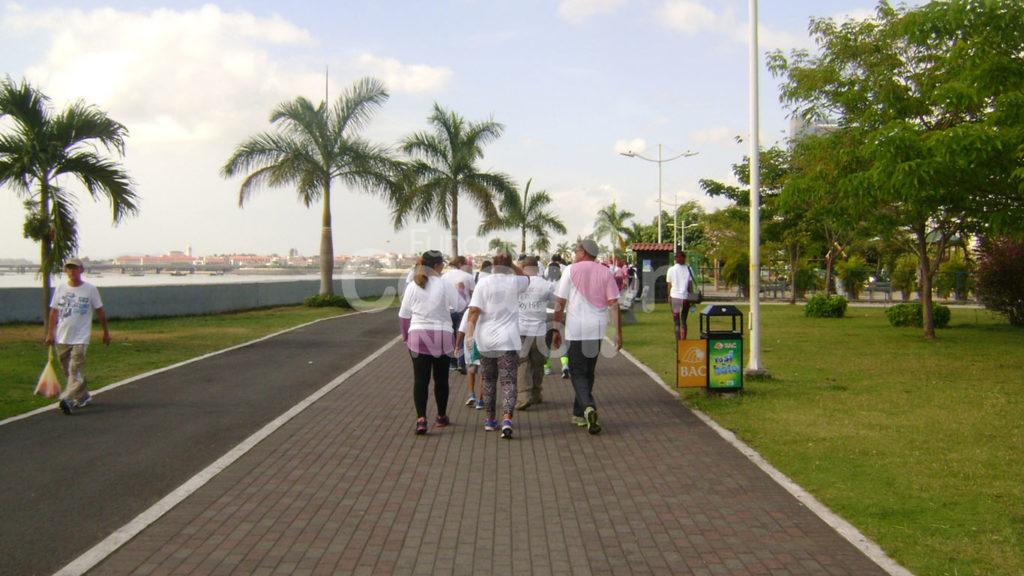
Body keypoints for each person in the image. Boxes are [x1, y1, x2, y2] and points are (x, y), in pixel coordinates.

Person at [551, 239, 621, 435]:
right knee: (588, 372)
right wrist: (618, 333)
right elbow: (614, 304)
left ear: (584, 252)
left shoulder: (570, 270)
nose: (574, 253)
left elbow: (560, 302)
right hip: (597, 329)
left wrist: (556, 328)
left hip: (577, 330)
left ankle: (589, 406)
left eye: (576, 250)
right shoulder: (605, 272)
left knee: (577, 372)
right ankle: (579, 414)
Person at [399, 250, 467, 435]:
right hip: (442, 336)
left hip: (418, 336)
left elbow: (404, 315)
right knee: (441, 379)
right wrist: (461, 291)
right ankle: (441, 416)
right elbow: (461, 306)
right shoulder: (445, 285)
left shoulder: (413, 285)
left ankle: (421, 419)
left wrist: (406, 337)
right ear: (438, 265)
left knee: (420, 380)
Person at [465, 253, 528, 439]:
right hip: (507, 340)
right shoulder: (515, 282)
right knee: (508, 381)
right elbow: (525, 277)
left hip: (486, 341)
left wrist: (469, 336)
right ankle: (507, 418)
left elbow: (474, 311)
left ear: (492, 265)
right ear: (510, 266)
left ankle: (490, 420)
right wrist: (513, 265)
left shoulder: (483, 283)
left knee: (489, 380)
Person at [45, 258, 110, 415]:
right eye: (69, 268)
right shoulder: (61, 288)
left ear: (82, 270)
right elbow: (54, 312)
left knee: (75, 369)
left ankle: (66, 398)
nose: (72, 271)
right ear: (65, 271)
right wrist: (50, 333)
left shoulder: (90, 289)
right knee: (68, 370)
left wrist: (106, 332)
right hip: (62, 337)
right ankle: (83, 396)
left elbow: (100, 311)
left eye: (75, 268)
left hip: (81, 337)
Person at [515, 256, 556, 410]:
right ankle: (537, 393)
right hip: (539, 331)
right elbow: (556, 303)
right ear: (537, 268)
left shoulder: (517, 285)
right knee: (538, 364)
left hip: (520, 330)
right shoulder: (546, 285)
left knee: (522, 363)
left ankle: (524, 395)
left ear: (523, 268)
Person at [443, 255, 476, 375]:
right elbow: (473, 294)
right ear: (462, 264)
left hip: (448, 310)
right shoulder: (469, 277)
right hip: (464, 310)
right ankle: (462, 362)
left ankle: (452, 362)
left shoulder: (444, 276)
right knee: (462, 334)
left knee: (450, 336)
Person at [666, 250, 697, 340]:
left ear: (675, 259)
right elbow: (690, 285)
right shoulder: (688, 269)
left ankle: (678, 342)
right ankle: (683, 341)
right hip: (685, 298)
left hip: (675, 298)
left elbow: (669, 285)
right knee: (683, 320)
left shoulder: (671, 270)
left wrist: (668, 296)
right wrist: (692, 298)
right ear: (684, 258)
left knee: (676, 322)